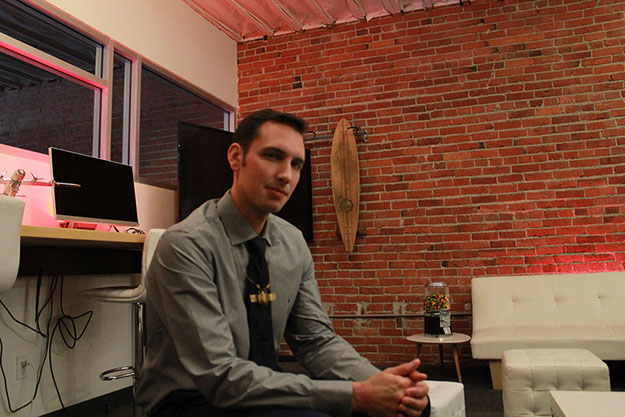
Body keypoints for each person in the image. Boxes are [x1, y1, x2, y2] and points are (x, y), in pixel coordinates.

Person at [136, 109, 431, 417]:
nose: (286, 175)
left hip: (260, 382)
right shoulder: (186, 245)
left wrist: (381, 384)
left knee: (411, 409)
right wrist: (354, 396)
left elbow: (316, 342)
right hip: (191, 396)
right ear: (236, 157)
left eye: (296, 164)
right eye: (273, 156)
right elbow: (220, 376)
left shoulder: (292, 242)